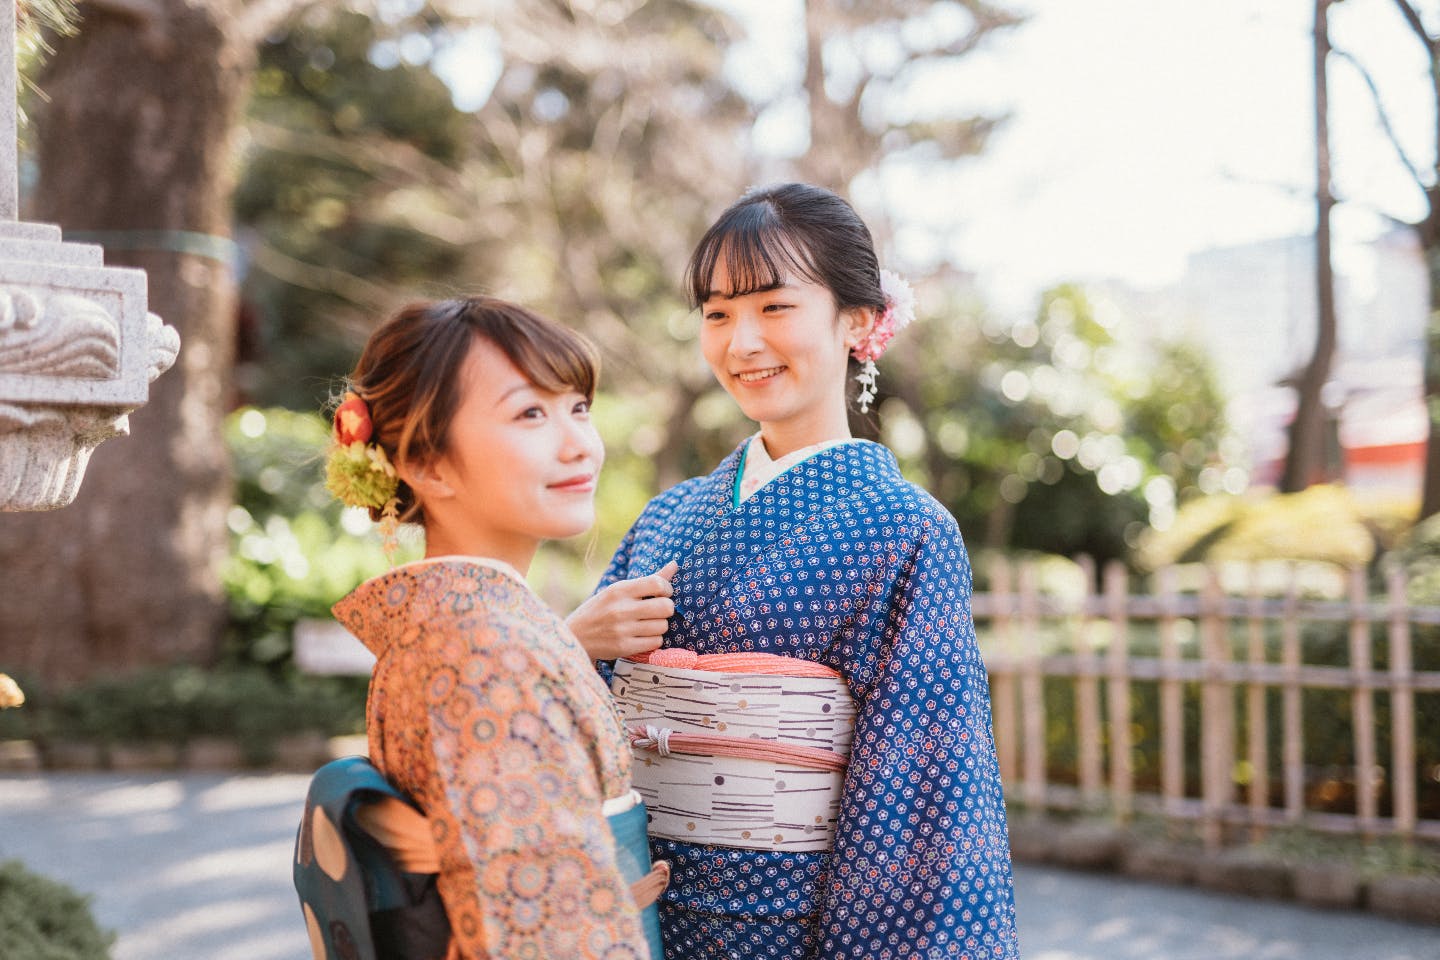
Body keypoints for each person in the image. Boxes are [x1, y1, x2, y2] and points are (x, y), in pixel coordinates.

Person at [568, 184, 1021, 959]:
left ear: (859, 321)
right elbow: (572, 736)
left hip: (791, 931)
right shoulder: (666, 517)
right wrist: (572, 643)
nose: (741, 343)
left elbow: (921, 794)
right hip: (635, 919)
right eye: (717, 315)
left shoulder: (908, 531)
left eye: (774, 308)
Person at [314, 297, 665, 960]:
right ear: (427, 464)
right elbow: (544, 932)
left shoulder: (468, 628)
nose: (579, 444)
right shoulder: (484, 652)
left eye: (578, 408)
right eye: (530, 413)